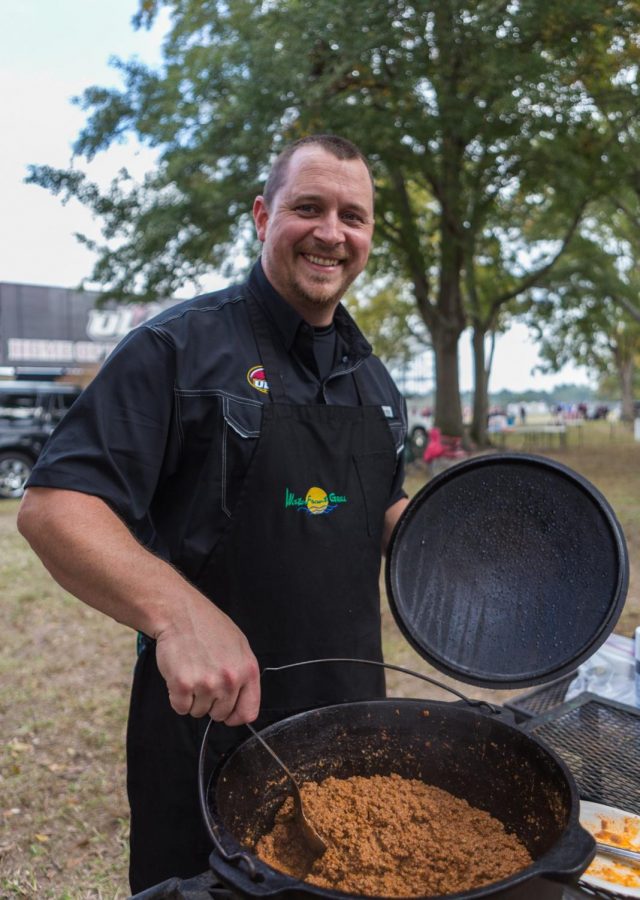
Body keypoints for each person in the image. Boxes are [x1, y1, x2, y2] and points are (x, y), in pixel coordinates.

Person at [17, 134, 409, 893]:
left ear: (368, 237)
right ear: (263, 216)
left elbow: (381, 502)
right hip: (209, 736)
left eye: (352, 216)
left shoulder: (375, 380)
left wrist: (464, 551)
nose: (332, 231)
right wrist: (178, 615)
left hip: (352, 731)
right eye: (308, 207)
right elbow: (56, 505)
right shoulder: (176, 349)